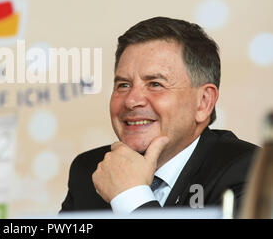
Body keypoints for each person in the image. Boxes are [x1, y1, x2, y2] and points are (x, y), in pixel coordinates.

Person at [60, 17, 258, 215]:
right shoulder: (91, 169)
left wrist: (130, 196)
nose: (131, 101)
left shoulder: (252, 171)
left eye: (155, 84)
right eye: (123, 85)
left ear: (203, 102)